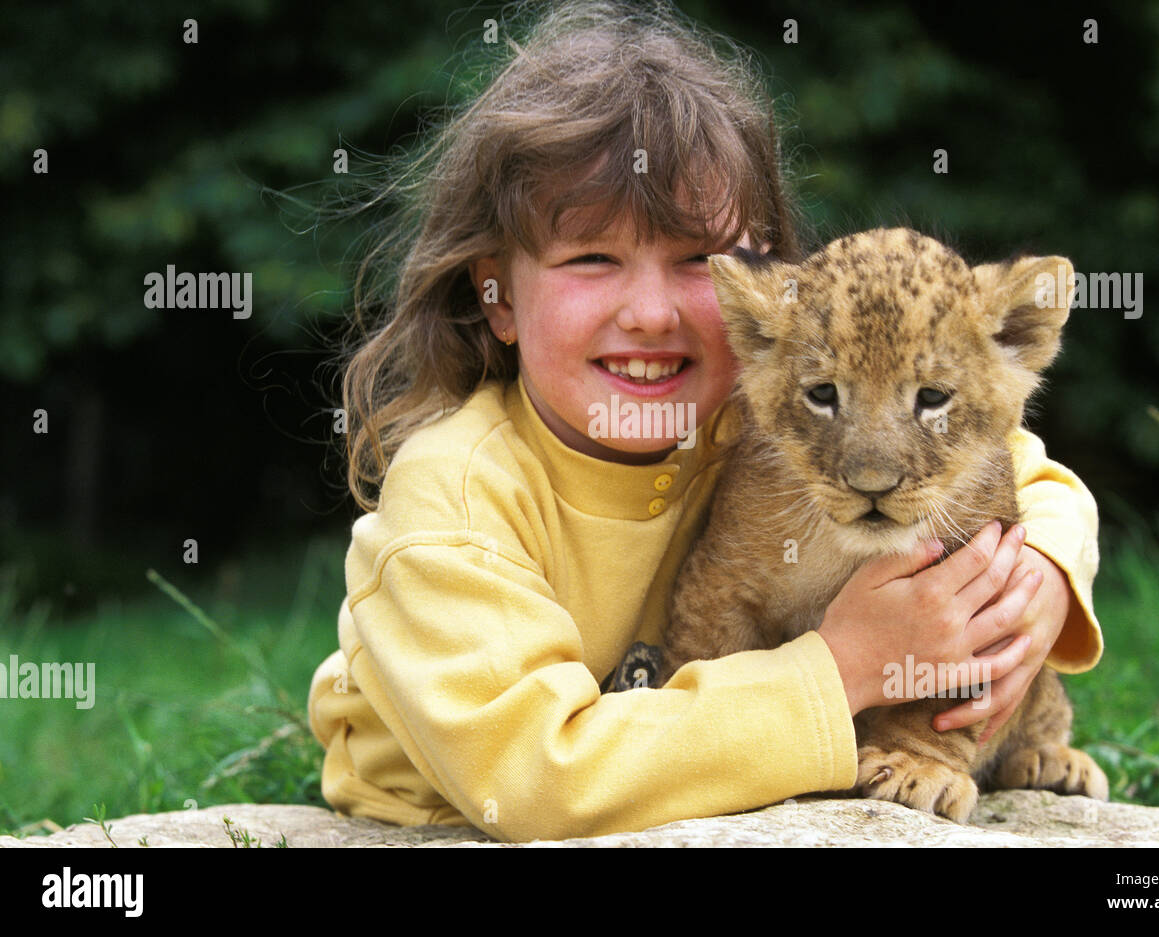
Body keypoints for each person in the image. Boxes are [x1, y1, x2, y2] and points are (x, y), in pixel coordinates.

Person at [307, 0, 1102, 842]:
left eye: (695, 259)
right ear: (496, 296)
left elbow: (1007, 456)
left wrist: (1044, 572)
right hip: (450, 805)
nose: (650, 313)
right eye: (591, 258)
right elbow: (538, 778)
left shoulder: (762, 409)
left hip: (688, 752)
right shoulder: (455, 498)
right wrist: (840, 671)